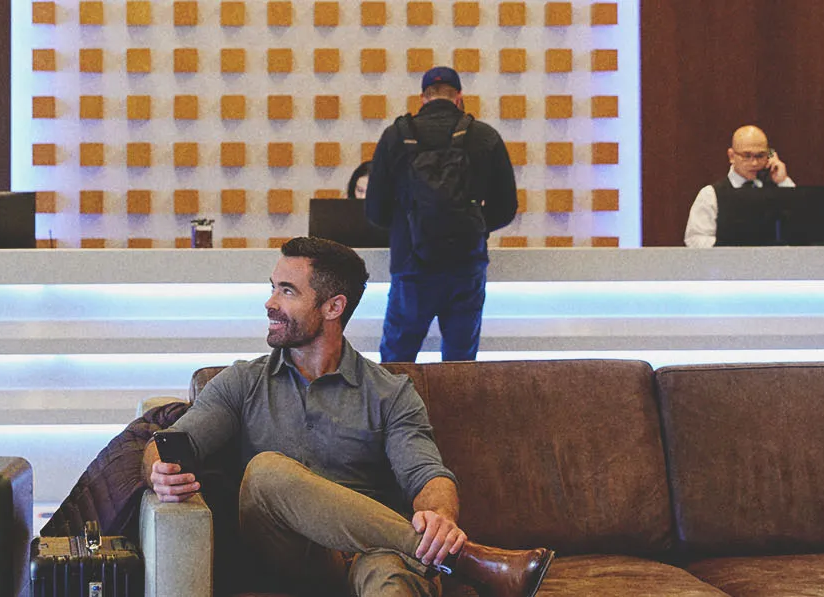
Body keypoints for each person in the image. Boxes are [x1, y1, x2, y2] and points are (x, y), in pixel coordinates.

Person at [148, 237, 552, 597]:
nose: (270, 303)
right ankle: (463, 560)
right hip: (285, 555)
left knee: (393, 579)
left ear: (333, 306)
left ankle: (432, 552)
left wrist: (441, 519)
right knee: (267, 472)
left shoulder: (389, 393)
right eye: (273, 288)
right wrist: (157, 470)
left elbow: (428, 473)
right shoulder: (242, 381)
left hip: (367, 554)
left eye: (287, 291)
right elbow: (165, 445)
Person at [365, 67, 519, 364]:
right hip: (466, 266)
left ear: (423, 98)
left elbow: (375, 210)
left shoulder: (395, 136)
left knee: (398, 359)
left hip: (411, 265)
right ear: (459, 97)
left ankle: (397, 412)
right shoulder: (485, 137)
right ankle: (457, 412)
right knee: (460, 361)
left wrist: (409, 227)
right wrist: (473, 227)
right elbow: (506, 207)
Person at [683, 125, 796, 247]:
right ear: (731, 156)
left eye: (760, 156)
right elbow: (695, 238)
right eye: (747, 156)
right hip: (727, 263)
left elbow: (801, 224)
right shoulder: (711, 194)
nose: (754, 163)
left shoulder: (777, 190)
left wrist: (783, 181)